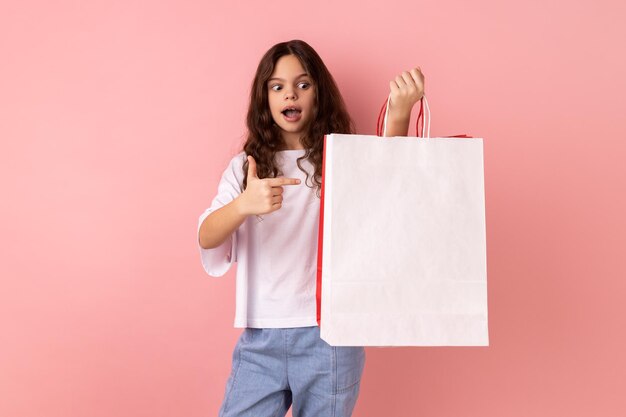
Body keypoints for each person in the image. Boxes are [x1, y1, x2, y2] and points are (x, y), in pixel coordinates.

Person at [197, 39, 424, 417]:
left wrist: (399, 115)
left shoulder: (342, 157)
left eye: (303, 84)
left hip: (331, 337)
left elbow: (387, 197)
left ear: (319, 94)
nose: (291, 94)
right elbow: (206, 234)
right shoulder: (244, 168)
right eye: (278, 86)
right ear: (264, 98)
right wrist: (243, 205)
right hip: (261, 337)